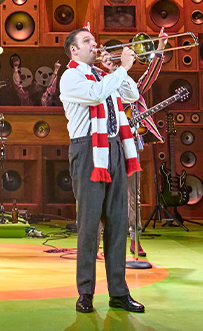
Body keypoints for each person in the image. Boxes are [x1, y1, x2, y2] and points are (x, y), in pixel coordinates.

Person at [60, 27, 146, 314]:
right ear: (74, 49)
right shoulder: (71, 76)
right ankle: (85, 292)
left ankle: (118, 292)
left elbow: (132, 95)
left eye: (94, 41)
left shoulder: (103, 75)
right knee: (89, 225)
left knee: (118, 222)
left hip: (114, 148)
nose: (94, 45)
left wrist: (118, 71)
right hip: (88, 150)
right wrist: (120, 69)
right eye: (87, 42)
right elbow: (97, 96)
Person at [98, 28, 168, 262]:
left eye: (112, 59)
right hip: (106, 143)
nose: (110, 62)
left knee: (133, 196)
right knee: (101, 192)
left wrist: (159, 49)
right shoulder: (99, 84)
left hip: (131, 143)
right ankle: (98, 239)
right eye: (106, 59)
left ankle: (135, 238)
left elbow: (150, 75)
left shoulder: (129, 84)